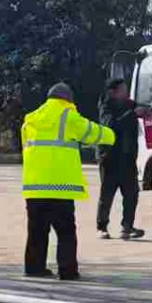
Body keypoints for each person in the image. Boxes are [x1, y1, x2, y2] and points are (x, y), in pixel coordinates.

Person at [22, 82, 114, 280]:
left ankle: (34, 268)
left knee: (36, 231)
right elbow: (92, 133)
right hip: (60, 187)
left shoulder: (30, 119)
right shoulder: (68, 116)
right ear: (68, 99)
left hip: (34, 188)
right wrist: (112, 134)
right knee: (65, 232)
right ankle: (67, 270)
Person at [95, 77, 152, 240]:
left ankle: (127, 227)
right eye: (123, 89)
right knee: (107, 194)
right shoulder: (106, 106)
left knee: (131, 194)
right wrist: (132, 114)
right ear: (113, 92)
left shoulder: (128, 104)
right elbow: (110, 125)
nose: (126, 92)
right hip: (110, 158)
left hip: (128, 157)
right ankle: (101, 227)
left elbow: (146, 109)